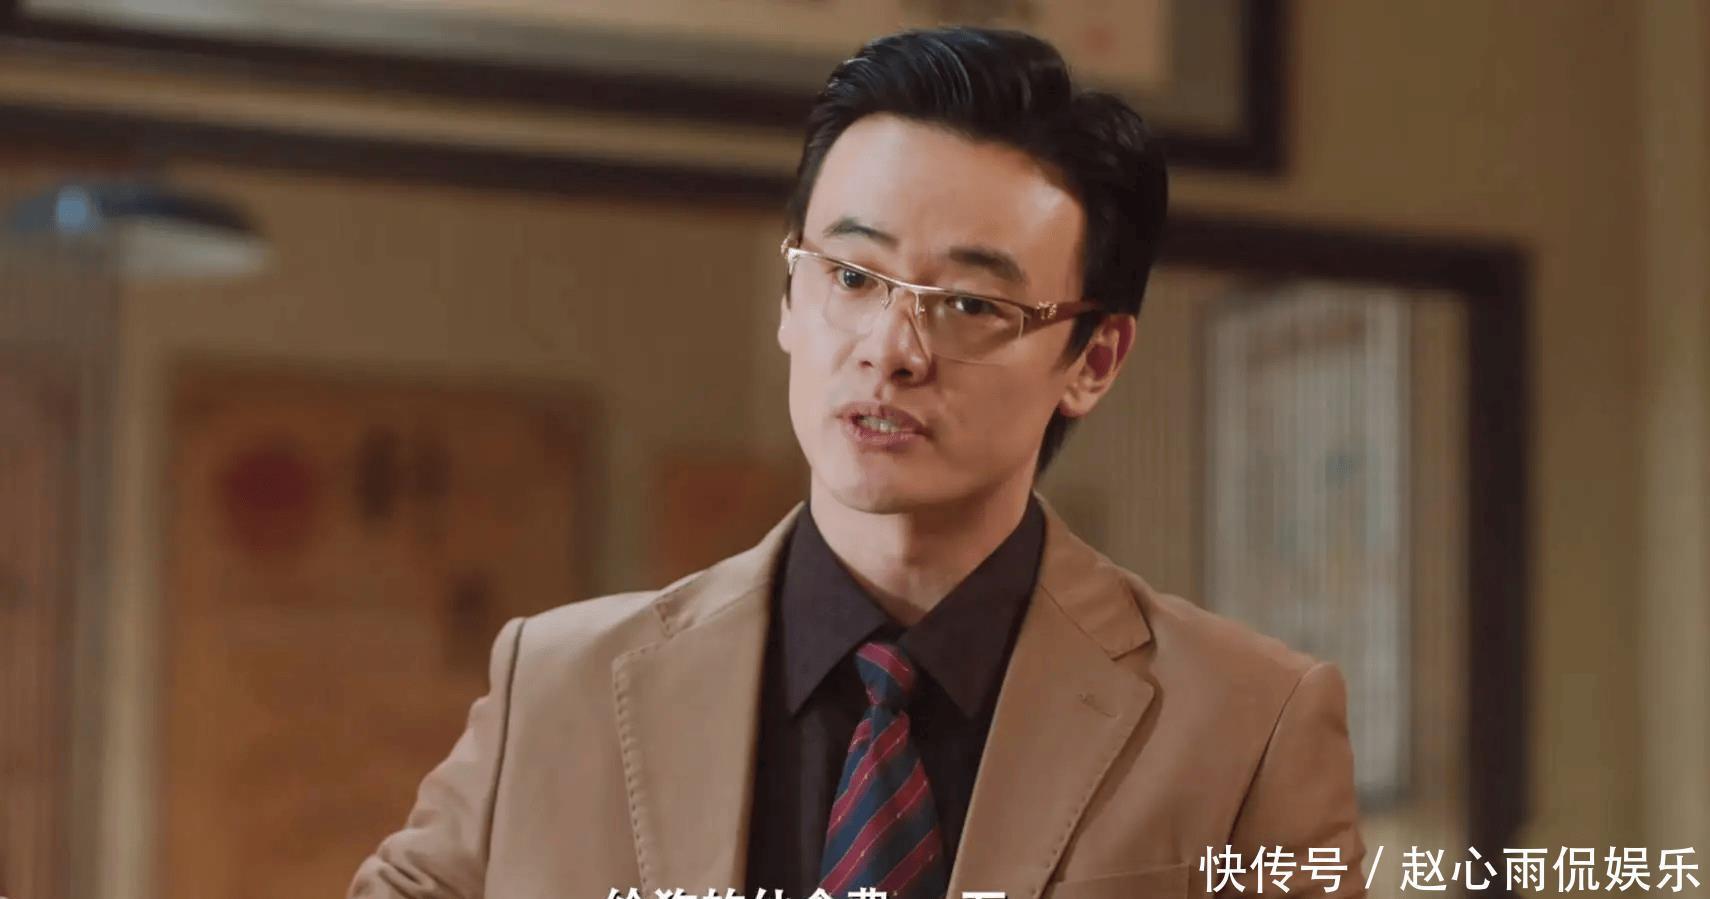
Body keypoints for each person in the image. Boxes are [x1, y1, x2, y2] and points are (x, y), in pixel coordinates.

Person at [351, 26, 1366, 899]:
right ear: (790, 296)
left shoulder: (1246, 725)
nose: (891, 348)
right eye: (849, 275)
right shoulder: (557, 684)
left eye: (969, 302)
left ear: (1093, 360)